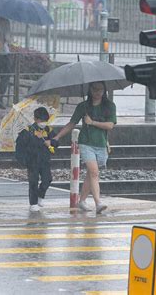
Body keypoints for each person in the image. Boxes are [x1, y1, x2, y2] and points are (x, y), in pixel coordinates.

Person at [53, 81, 116, 214]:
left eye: (100, 89)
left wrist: (92, 122)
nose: (97, 92)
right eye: (94, 89)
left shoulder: (110, 106)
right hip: (86, 142)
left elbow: (110, 125)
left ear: (104, 90)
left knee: (91, 174)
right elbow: (72, 123)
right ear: (89, 90)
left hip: (101, 143)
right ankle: (98, 203)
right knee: (94, 172)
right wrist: (57, 137)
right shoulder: (83, 106)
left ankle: (81, 201)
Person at [16, 107, 58, 212]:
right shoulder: (28, 131)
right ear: (35, 119)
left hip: (45, 160)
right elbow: (21, 146)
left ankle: (41, 194)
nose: (43, 123)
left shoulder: (48, 130)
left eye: (45, 120)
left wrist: (51, 142)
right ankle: (33, 203)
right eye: (41, 120)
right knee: (33, 181)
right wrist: (23, 160)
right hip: (32, 160)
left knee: (47, 179)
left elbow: (57, 142)